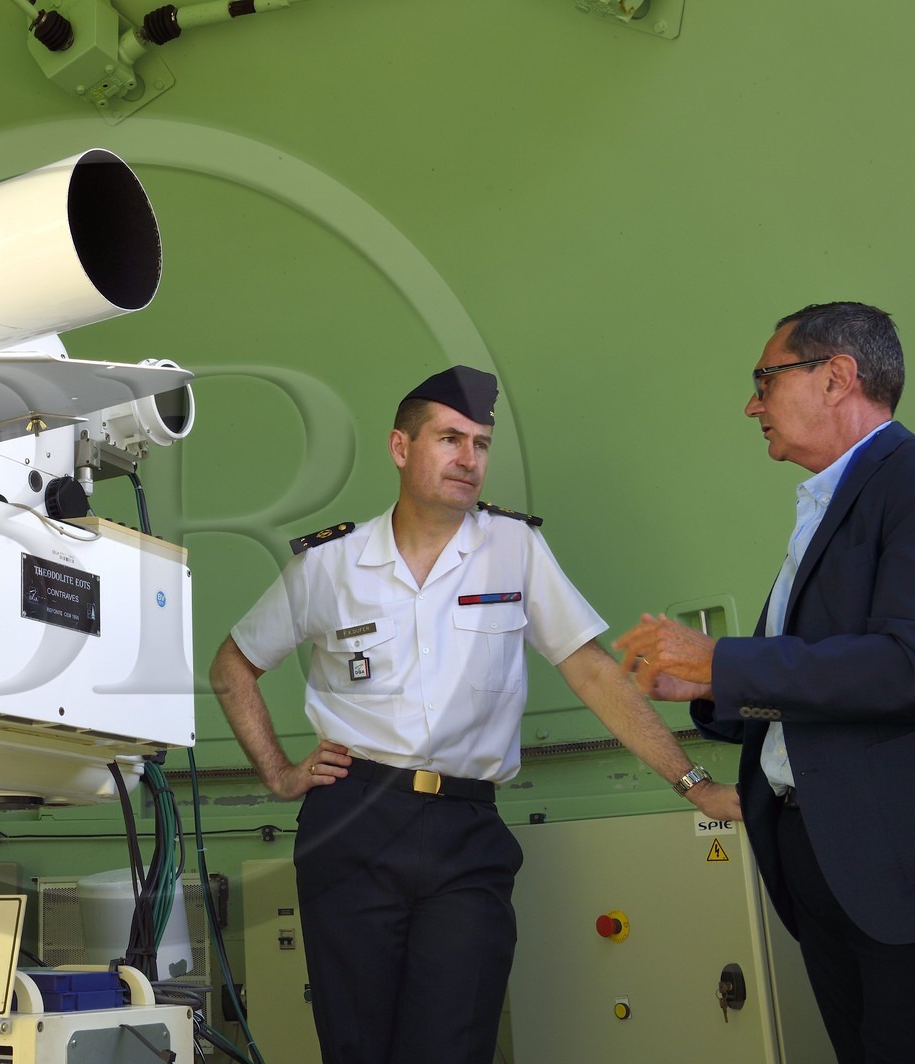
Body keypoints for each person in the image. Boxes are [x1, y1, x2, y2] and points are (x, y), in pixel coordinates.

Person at [210, 365, 740, 1064]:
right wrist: (279, 774)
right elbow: (231, 668)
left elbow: (590, 670)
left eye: (482, 444)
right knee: (356, 1044)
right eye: (451, 439)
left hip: (467, 829)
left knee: (456, 1044)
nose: (469, 459)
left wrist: (691, 781)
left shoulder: (513, 549)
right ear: (401, 448)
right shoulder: (330, 565)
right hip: (354, 821)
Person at [616, 301, 915, 1064]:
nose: (752, 404)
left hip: (891, 867)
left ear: (837, 377)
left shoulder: (905, 485)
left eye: (765, 379)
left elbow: (900, 666)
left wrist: (720, 659)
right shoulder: (824, 505)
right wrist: (708, 691)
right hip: (813, 852)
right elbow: (813, 686)